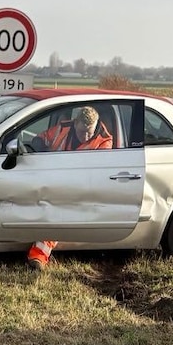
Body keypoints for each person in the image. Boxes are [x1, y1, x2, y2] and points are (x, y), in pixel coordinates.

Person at [26, 106, 115, 270]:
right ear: (75, 124)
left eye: (89, 132)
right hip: (53, 180)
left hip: (81, 188)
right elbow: (41, 138)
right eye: (82, 132)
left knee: (58, 213)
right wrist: (42, 150)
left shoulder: (104, 140)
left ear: (96, 126)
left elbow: (98, 172)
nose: (86, 137)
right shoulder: (63, 127)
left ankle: (38, 256)